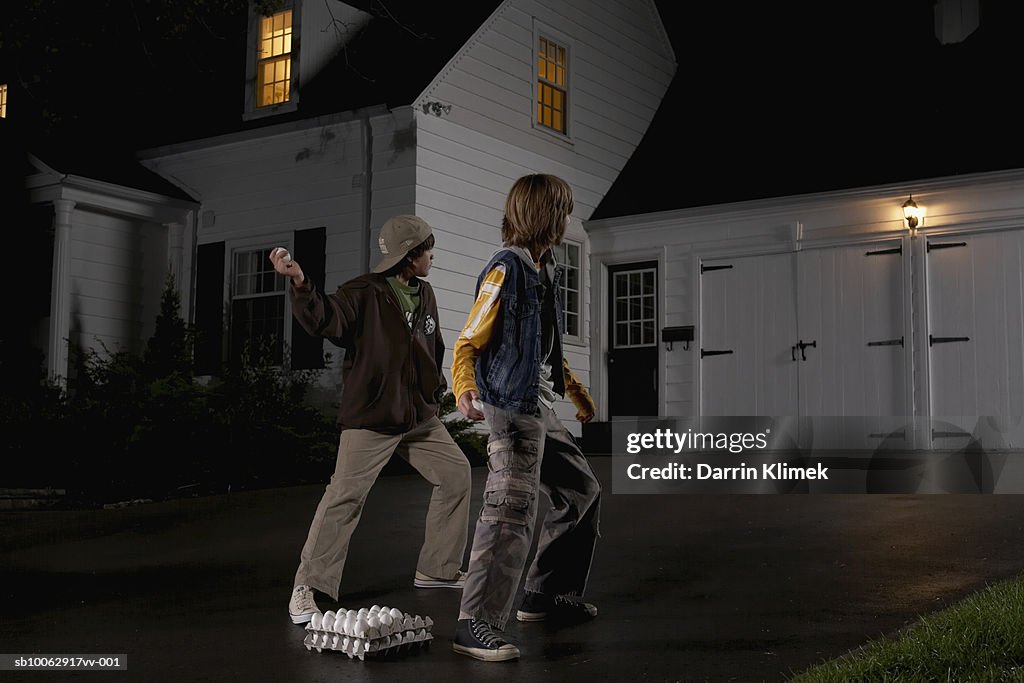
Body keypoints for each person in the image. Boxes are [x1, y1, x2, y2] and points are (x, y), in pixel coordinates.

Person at [270, 215, 472, 625]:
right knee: (344, 497)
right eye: (428, 249)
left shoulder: (425, 292)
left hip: (416, 415)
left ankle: (438, 568)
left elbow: (432, 346)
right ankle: (307, 587)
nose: (433, 254)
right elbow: (326, 319)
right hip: (373, 415)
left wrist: (435, 394)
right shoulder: (363, 292)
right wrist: (301, 283)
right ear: (410, 256)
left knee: (456, 474)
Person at [449, 173, 602, 662]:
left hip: (535, 401)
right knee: (510, 511)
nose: (567, 217)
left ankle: (540, 594)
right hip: (508, 407)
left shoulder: (545, 268)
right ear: (544, 214)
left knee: (580, 490)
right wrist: (464, 386)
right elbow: (468, 340)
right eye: (562, 208)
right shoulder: (505, 270)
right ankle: (475, 624)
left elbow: (542, 346)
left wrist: (573, 389)